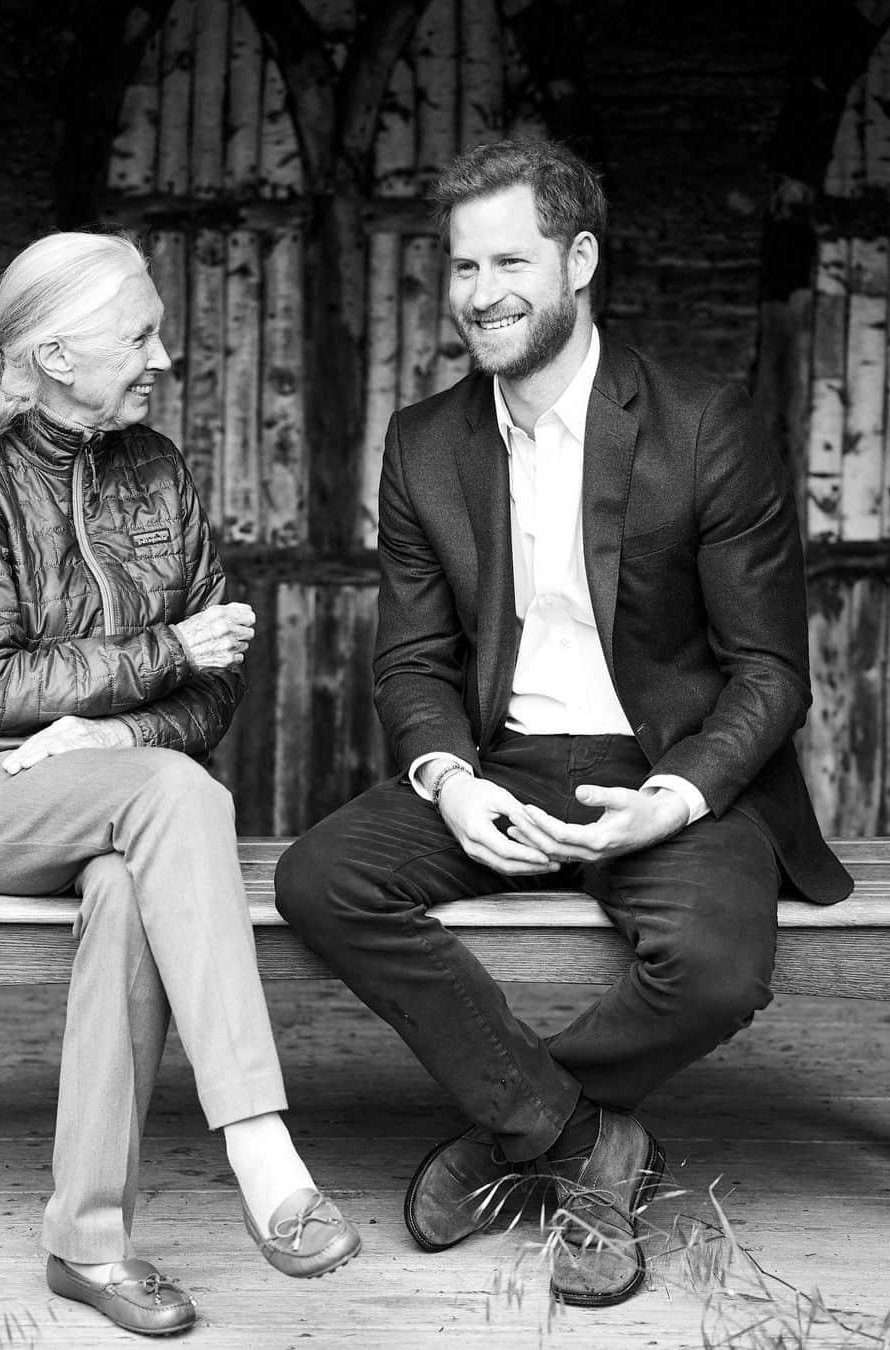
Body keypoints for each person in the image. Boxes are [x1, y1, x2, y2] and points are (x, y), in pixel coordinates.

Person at [274, 138, 852, 1309]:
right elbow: (416, 660)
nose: (478, 294)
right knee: (321, 879)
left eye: (509, 263)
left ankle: (513, 1132)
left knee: (717, 968)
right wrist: (446, 776)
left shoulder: (702, 424)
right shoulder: (424, 441)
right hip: (503, 762)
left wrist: (676, 797)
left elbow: (769, 671)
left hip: (673, 766)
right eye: (461, 265)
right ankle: (591, 1143)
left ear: (579, 259)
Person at [0, 231, 360, 1338]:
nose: (164, 353)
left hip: (116, 795)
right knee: (178, 793)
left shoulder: (156, 466)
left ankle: (86, 1242)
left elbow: (220, 692)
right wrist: (152, 662)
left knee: (126, 880)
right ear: (57, 354)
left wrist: (99, 731)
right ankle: (261, 1149)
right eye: (140, 333)